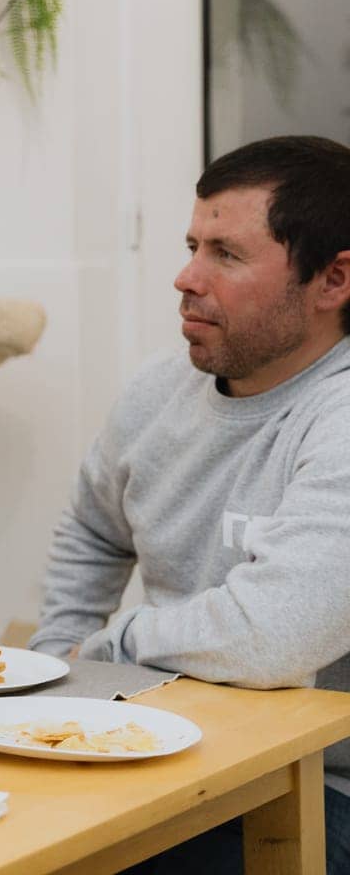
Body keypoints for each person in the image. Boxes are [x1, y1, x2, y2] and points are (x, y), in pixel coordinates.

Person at [30, 135, 350, 873]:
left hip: (322, 784)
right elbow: (93, 528)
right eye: (191, 245)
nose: (184, 277)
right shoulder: (157, 389)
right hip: (173, 748)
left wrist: (108, 649)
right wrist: (53, 665)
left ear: (332, 281)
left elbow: (273, 637)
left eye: (226, 255)